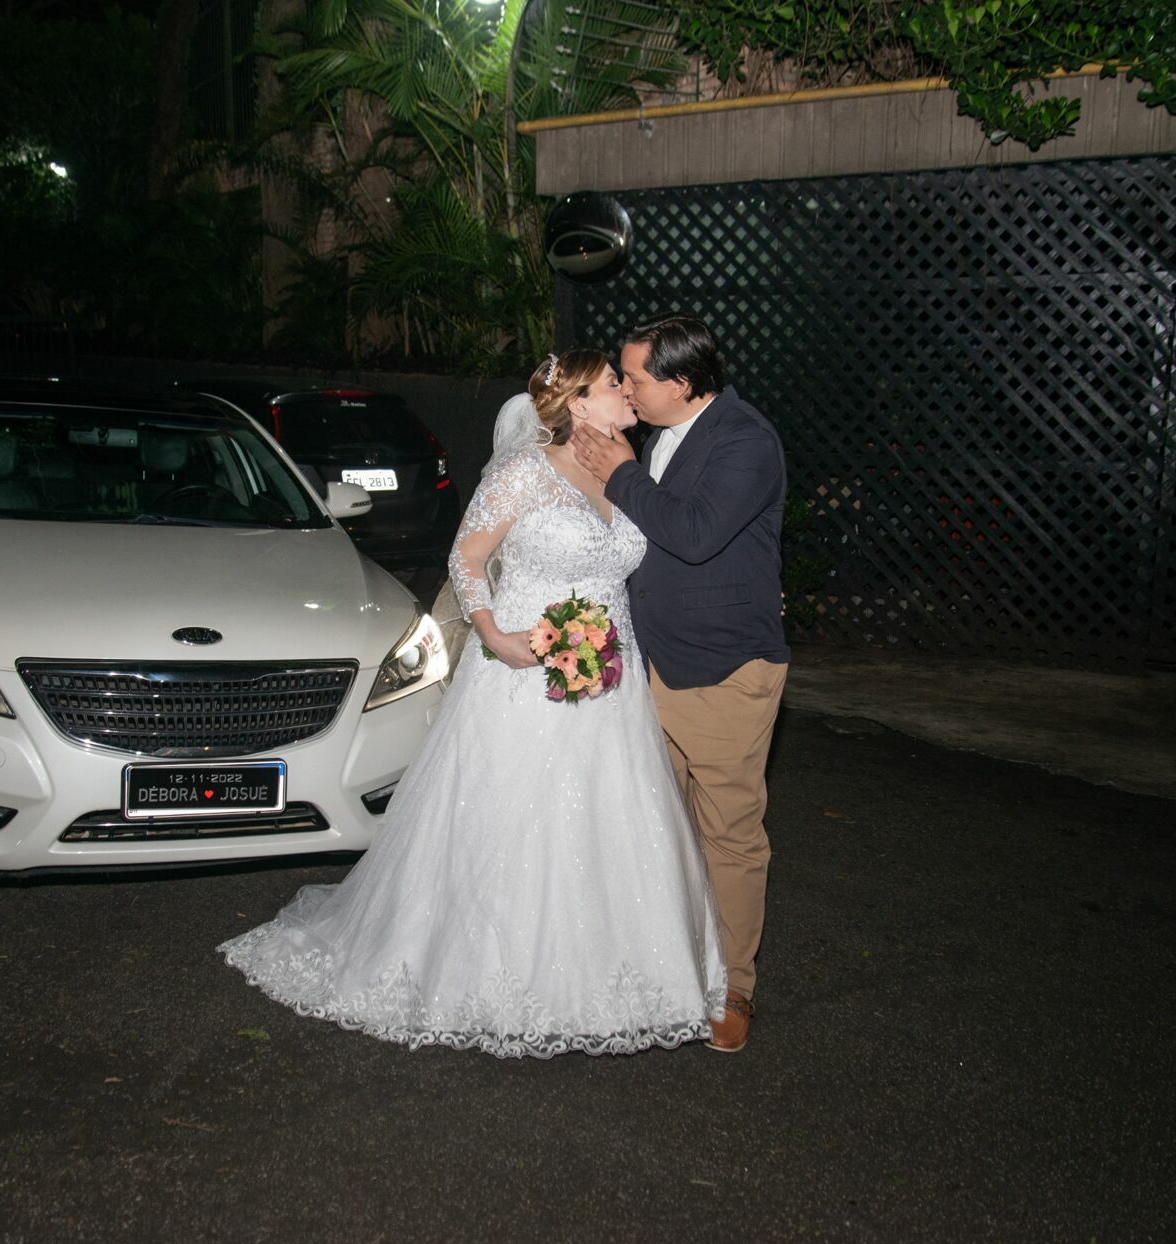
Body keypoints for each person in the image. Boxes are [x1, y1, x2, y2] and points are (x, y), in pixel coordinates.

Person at [220, 349, 726, 1058]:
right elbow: (466, 557)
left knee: (613, 818)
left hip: (612, 679)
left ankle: (621, 977)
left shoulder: (630, 470)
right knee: (514, 818)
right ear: (578, 404)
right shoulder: (525, 471)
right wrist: (492, 632)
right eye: (614, 383)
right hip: (523, 672)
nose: (628, 391)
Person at [569, 314, 789, 1054]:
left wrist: (619, 471)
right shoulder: (658, 436)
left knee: (726, 833)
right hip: (646, 662)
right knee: (656, 826)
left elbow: (693, 533)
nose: (625, 388)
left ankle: (733, 988)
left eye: (633, 377)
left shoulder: (746, 441)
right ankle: (666, 964)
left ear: (681, 383)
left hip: (722, 669)